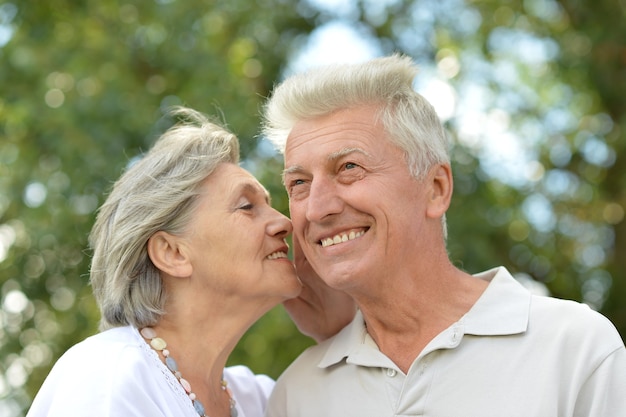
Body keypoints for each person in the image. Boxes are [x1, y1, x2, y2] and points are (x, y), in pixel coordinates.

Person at [261, 55, 626, 416]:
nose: (317, 208)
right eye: (299, 183)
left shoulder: (576, 348)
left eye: (349, 167)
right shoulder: (296, 395)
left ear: (435, 189)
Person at [26, 107, 353, 417]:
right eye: (246, 206)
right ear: (173, 253)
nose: (284, 222)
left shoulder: (259, 398)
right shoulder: (107, 375)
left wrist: (336, 335)